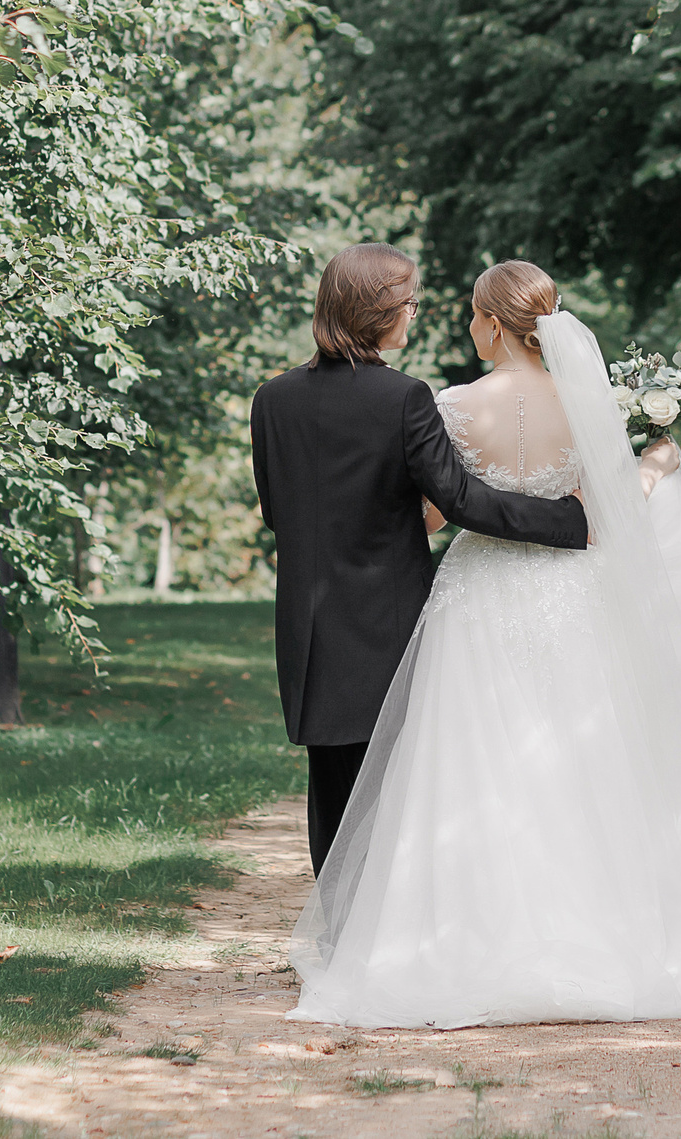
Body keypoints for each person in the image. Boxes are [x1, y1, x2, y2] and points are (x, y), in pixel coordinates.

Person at [288, 259, 681, 1029]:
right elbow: (610, 509)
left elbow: (435, 515)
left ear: (493, 324)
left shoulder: (451, 404)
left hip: (479, 595)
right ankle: (599, 930)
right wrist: (652, 463)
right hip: (572, 592)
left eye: (468, 314)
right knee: (580, 758)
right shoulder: (594, 405)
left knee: (469, 759)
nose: (464, 326)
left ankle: (460, 931)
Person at [250, 244, 591, 876]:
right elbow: (460, 498)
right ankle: (384, 945)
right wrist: (570, 519)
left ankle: (337, 939)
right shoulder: (405, 397)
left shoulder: (272, 400)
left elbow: (277, 511)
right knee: (400, 789)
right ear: (378, 312)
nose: (416, 314)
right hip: (391, 618)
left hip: (313, 627)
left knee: (332, 788)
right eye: (410, 303)